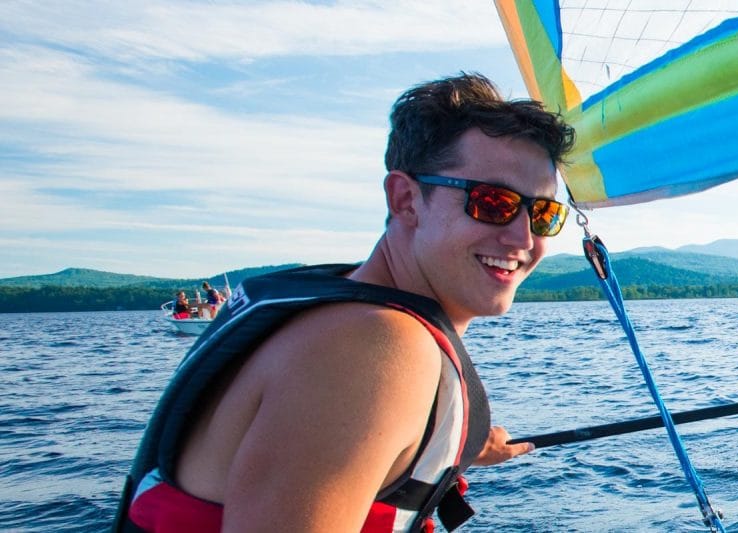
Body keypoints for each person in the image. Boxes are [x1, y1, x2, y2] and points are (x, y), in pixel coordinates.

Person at [116, 73, 575, 532]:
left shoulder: (333, 309)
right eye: (492, 202)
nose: (522, 237)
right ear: (406, 200)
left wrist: (448, 449)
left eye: (543, 214)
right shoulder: (373, 347)